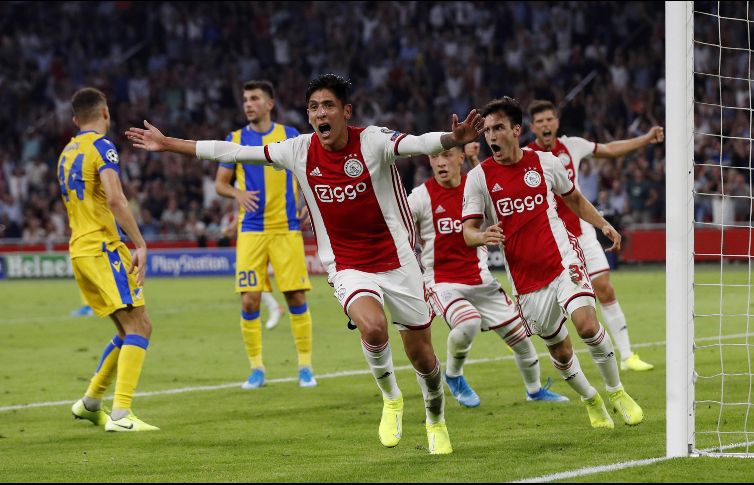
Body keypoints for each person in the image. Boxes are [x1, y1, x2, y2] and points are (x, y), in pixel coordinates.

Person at [127, 74, 484, 454]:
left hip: (398, 262)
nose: (320, 113)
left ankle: (435, 416)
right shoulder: (298, 150)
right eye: (313, 107)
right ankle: (391, 398)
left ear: (346, 111)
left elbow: (416, 143)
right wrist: (168, 144)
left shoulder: (373, 141)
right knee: (374, 327)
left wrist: (452, 140)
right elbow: (231, 152)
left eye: (328, 105)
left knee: (423, 357)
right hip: (348, 265)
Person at [463, 97, 643, 428]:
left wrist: (603, 224)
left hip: (562, 258)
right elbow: (467, 230)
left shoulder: (545, 162)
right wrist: (481, 235)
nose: (491, 136)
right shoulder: (479, 177)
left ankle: (616, 391)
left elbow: (573, 197)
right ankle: (591, 397)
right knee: (560, 353)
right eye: (487, 130)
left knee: (588, 325)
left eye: (498, 127)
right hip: (526, 279)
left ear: (516, 130)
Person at [408, 145, 568, 407]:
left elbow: (494, 181)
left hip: (480, 280)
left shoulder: (475, 190)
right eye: (435, 156)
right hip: (443, 282)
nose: (441, 161)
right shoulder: (421, 197)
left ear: (460, 158)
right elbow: (398, 224)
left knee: (522, 340)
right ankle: (454, 375)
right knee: (468, 322)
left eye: (447, 155)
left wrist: (475, 157)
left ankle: (535, 390)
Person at [527, 99, 663, 372]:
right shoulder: (525, 156)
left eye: (549, 119)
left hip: (582, 231)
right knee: (550, 308)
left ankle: (627, 356)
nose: (545, 125)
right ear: (532, 127)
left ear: (556, 122)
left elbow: (610, 150)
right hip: (550, 239)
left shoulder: (572, 146)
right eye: (539, 121)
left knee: (605, 288)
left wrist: (646, 139)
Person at [64, 87, 157, 432]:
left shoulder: (66, 152)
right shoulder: (102, 147)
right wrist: (140, 243)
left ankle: (90, 402)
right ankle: (121, 414)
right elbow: (116, 200)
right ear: (105, 113)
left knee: (125, 328)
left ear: (75, 120)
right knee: (140, 325)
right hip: (103, 247)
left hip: (79, 249)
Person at [214, 80, 313, 389]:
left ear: (270, 104)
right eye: (245, 99)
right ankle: (256, 368)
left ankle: (305, 367)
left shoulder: (290, 136)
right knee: (249, 302)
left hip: (286, 227)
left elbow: (307, 173)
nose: (248, 104)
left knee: (295, 296)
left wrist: (309, 204)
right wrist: (237, 193)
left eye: (254, 98)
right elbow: (221, 183)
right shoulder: (235, 139)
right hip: (252, 230)